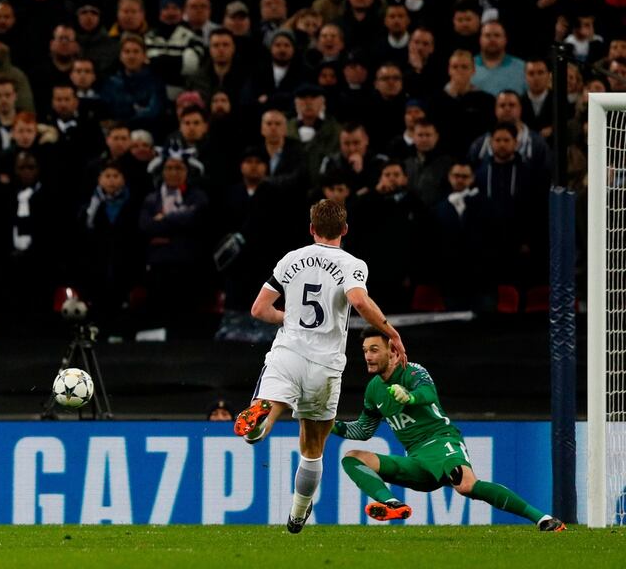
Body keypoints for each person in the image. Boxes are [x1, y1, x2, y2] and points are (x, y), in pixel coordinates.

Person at [234, 199, 405, 534]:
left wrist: (292, 318)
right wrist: (390, 330)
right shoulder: (352, 264)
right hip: (325, 366)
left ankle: (257, 424)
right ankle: (297, 516)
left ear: (311, 228)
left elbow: (258, 310)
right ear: (344, 229)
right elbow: (357, 300)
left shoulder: (291, 259)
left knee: (265, 416)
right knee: (312, 449)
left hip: (288, 352)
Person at [334, 327, 566, 531]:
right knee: (352, 458)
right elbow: (363, 430)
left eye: (374, 350)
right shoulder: (374, 389)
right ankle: (393, 504)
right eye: (365, 350)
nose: (368, 356)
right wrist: (326, 425)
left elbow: (428, 394)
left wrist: (410, 397)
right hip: (416, 459)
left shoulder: (411, 371)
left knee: (466, 485)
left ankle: (543, 519)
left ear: (393, 351)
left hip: (441, 442)